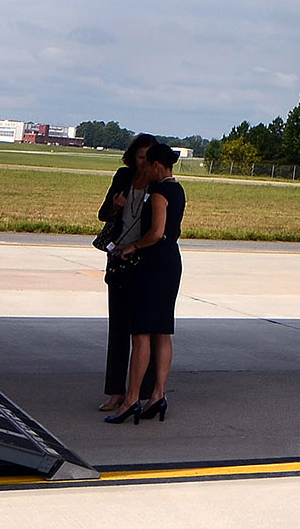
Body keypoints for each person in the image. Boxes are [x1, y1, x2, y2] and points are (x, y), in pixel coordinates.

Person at [104, 142, 184, 423]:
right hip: (170, 262)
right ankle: (158, 395)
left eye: (147, 165)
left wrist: (134, 246)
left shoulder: (160, 192)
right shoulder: (177, 189)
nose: (144, 170)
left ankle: (131, 399)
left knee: (140, 334)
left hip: (154, 264)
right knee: (162, 331)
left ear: (157, 166)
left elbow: (157, 232)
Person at [97, 133, 158, 411]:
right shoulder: (123, 177)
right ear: (132, 156)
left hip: (143, 260)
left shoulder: (159, 184)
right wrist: (115, 206)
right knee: (118, 328)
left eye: (148, 157)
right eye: (140, 156)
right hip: (118, 257)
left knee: (143, 331)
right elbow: (103, 214)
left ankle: (143, 391)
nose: (144, 163)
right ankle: (115, 391)